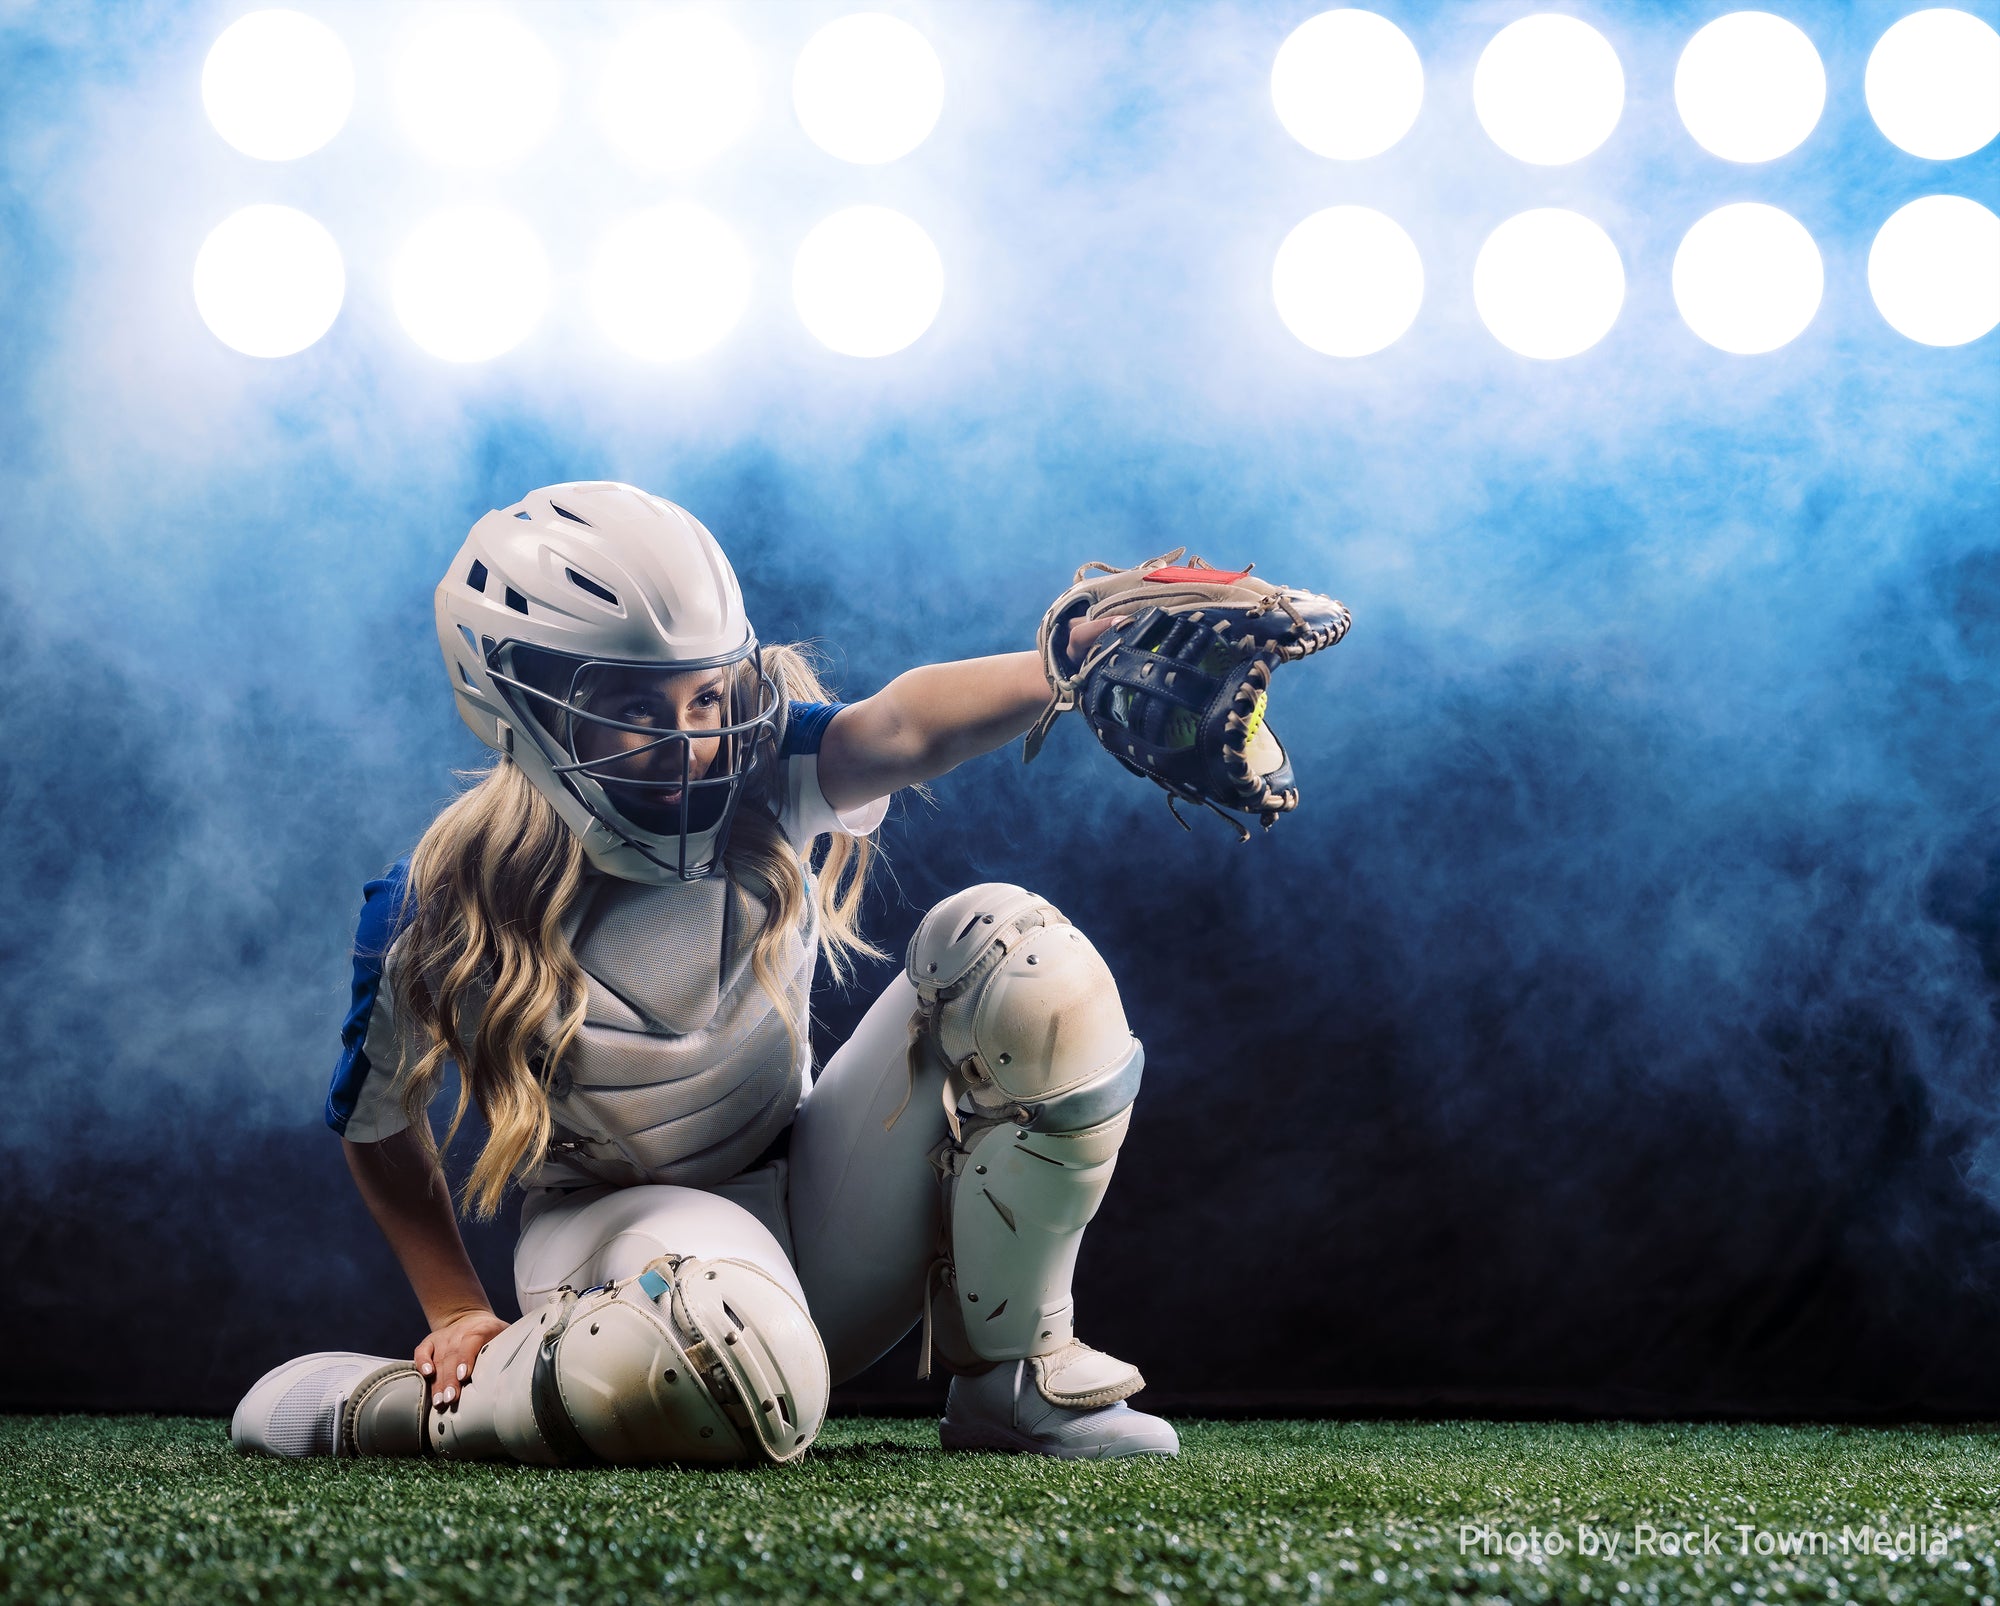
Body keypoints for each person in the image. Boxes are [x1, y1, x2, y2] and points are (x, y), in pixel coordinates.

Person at [230, 480, 1175, 1465]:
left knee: (1012, 951)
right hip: (616, 1242)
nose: (690, 740)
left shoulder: (765, 777)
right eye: (637, 704)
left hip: (814, 1195)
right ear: (515, 696)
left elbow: (903, 726)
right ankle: (383, 1408)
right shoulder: (435, 902)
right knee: (723, 1357)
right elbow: (375, 1120)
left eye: (707, 695)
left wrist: (1065, 662)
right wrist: (456, 1305)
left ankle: (1012, 1381)